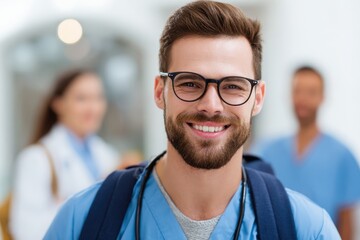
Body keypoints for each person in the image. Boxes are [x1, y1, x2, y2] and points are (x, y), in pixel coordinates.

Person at [45, 1, 340, 239]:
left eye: (233, 86)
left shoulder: (309, 229)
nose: (211, 106)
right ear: (160, 91)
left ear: (258, 98)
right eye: (189, 83)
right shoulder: (81, 222)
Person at [9, 69, 136, 240]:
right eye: (81, 99)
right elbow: (25, 231)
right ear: (58, 104)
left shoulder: (107, 155)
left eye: (98, 98)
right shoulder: (35, 159)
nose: (93, 108)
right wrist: (92, 199)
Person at [252, 65, 360, 239]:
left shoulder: (343, 156)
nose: (303, 99)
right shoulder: (266, 150)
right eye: (298, 91)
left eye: (311, 92)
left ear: (322, 97)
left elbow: (347, 225)